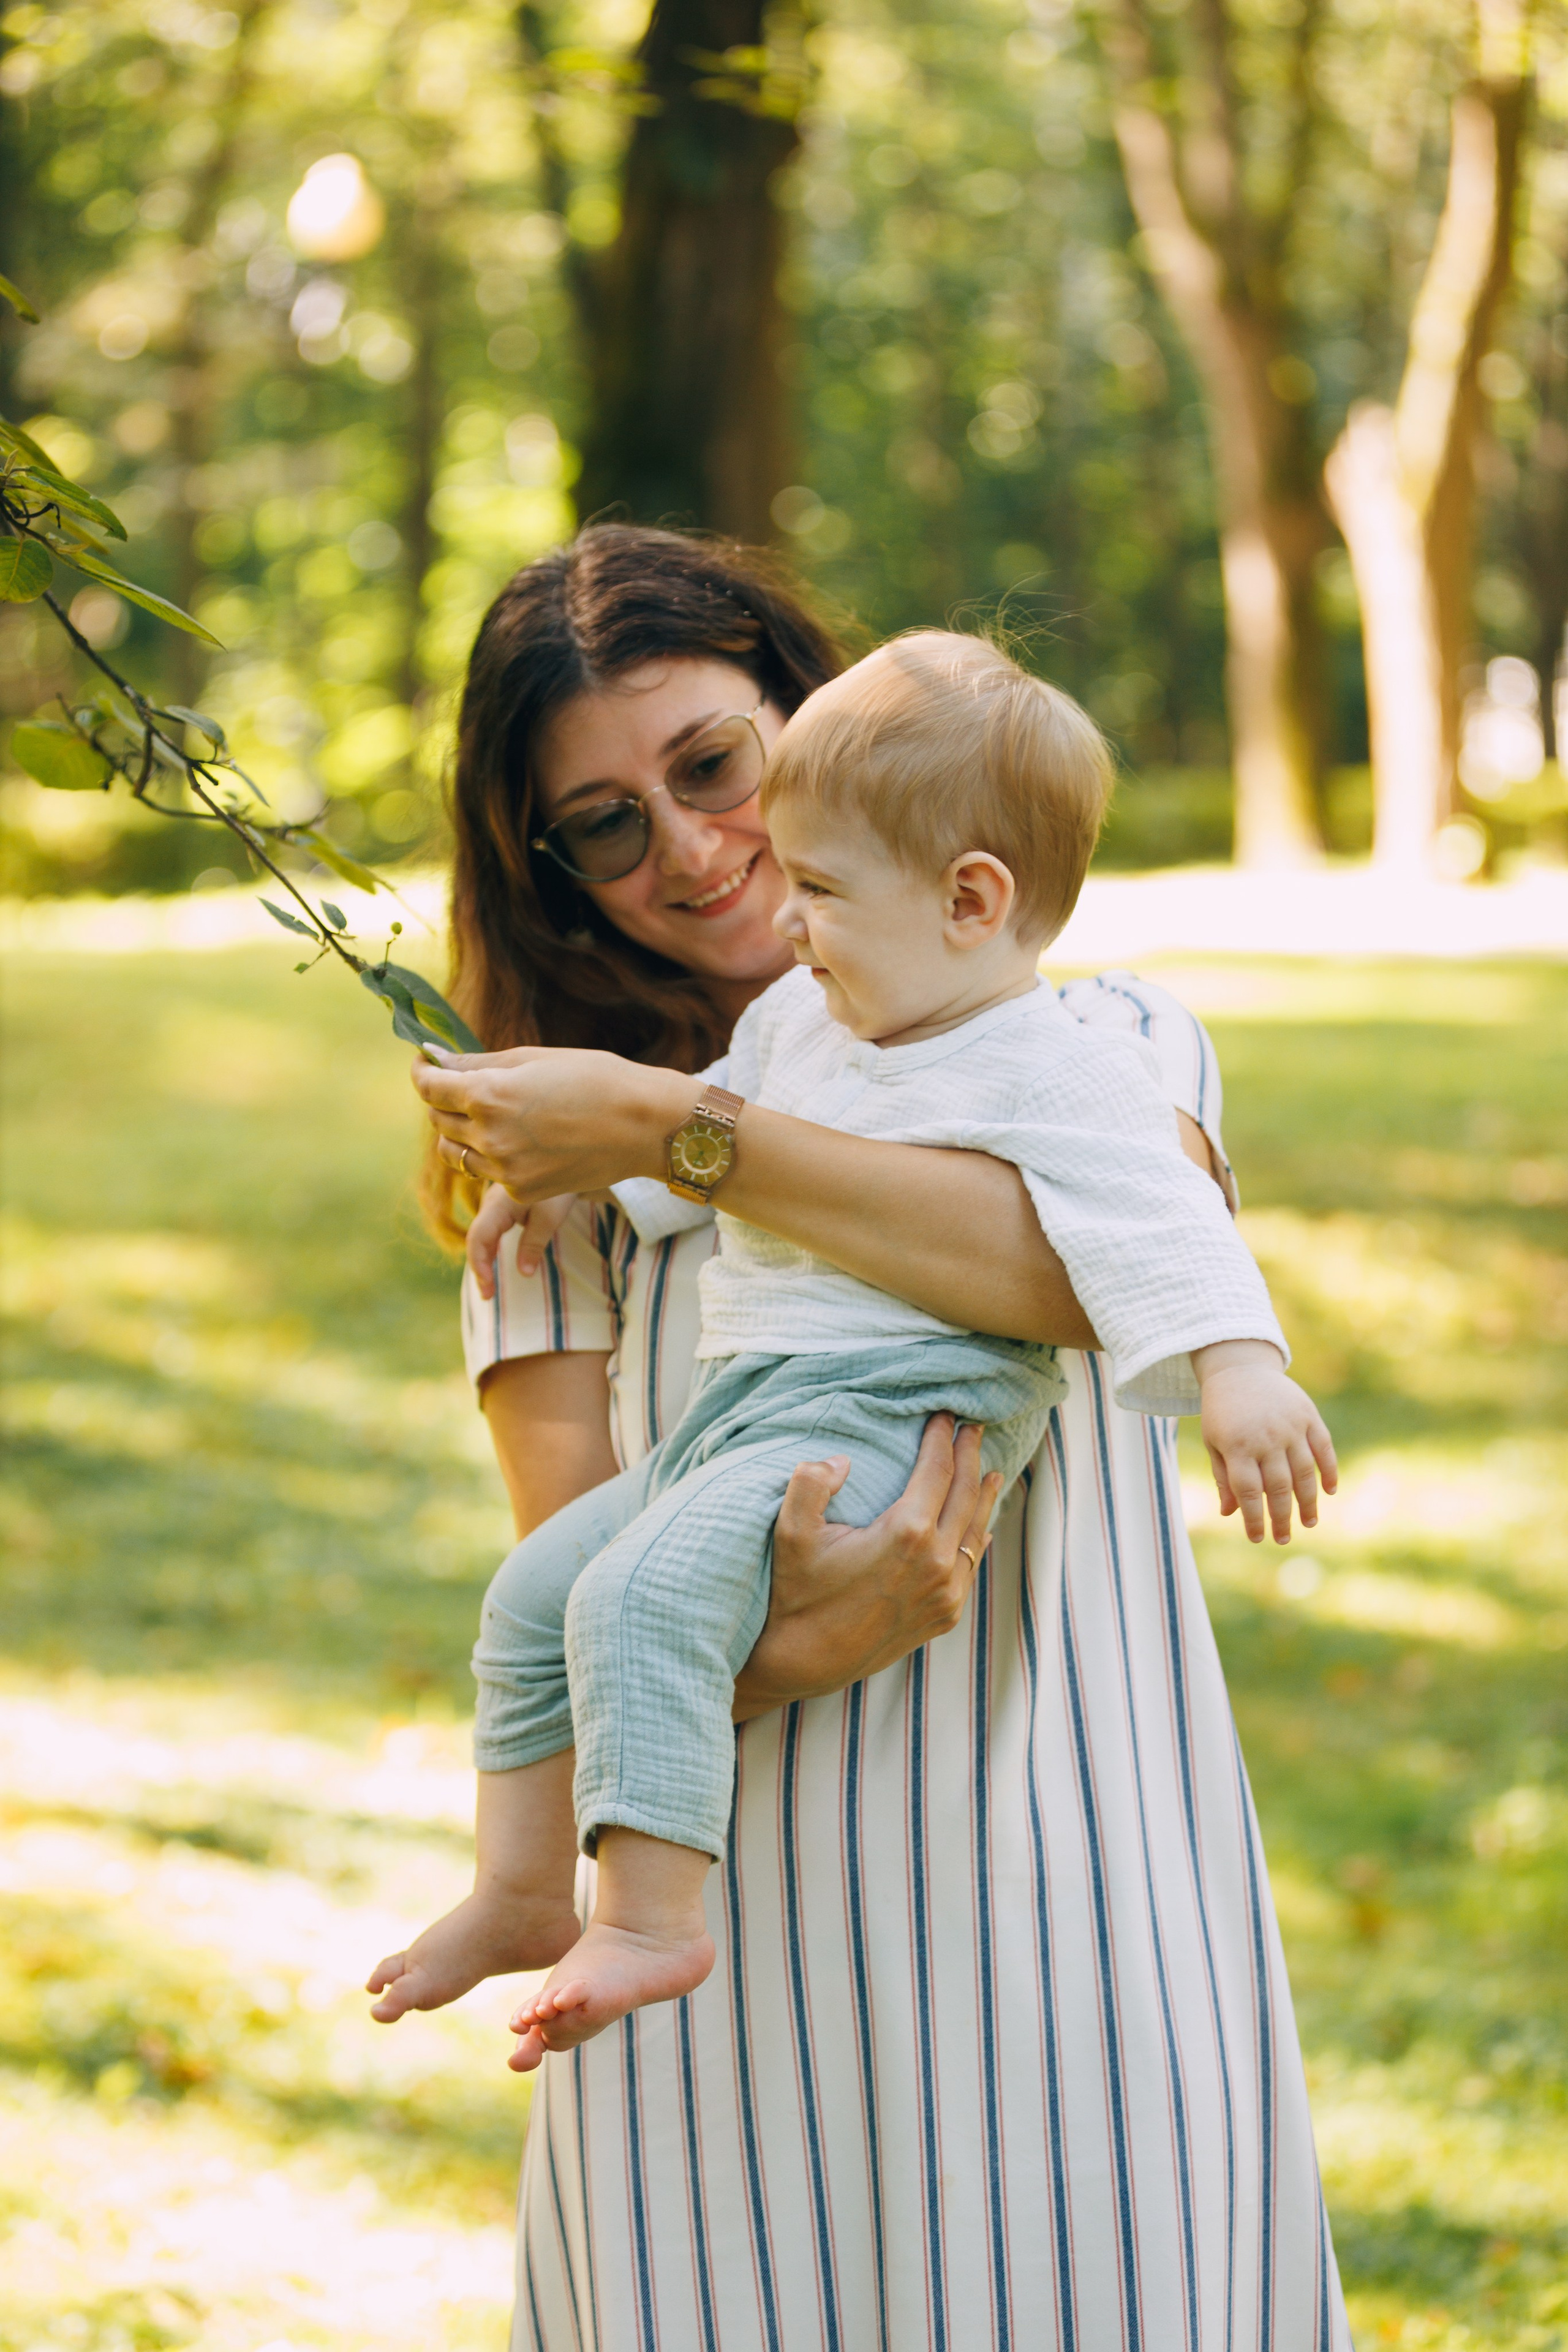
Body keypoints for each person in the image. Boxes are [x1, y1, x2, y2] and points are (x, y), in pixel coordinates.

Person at [379, 526, 1354, 2350]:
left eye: (714, 767)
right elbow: (582, 1591)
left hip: (1059, 1875)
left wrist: (678, 1132)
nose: (687, 850)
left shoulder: (1092, 1038)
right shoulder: (554, 1211)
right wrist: (818, 1625)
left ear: (805, 723)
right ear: (550, 871)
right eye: (602, 822)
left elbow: (1065, 1272)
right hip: (712, 1957)